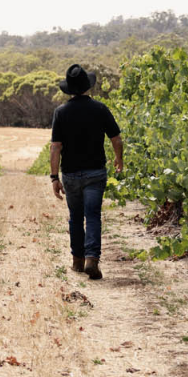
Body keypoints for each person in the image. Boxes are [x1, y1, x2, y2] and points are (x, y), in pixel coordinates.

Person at [49, 64, 123, 279]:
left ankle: (77, 261)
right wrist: (119, 159)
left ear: (69, 89)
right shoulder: (100, 109)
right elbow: (116, 139)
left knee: (75, 217)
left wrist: (54, 177)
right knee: (92, 216)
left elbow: (56, 147)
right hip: (95, 173)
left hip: (71, 174)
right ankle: (92, 258)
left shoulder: (60, 112)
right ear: (87, 87)